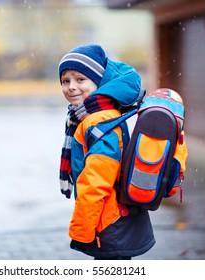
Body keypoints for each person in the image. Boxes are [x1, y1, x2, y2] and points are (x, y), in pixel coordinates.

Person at [58, 44, 156, 260]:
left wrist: (81, 230)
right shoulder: (89, 117)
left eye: (80, 79)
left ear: (99, 83)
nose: (71, 87)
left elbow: (96, 182)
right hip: (113, 218)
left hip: (111, 221)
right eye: (66, 81)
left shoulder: (100, 121)